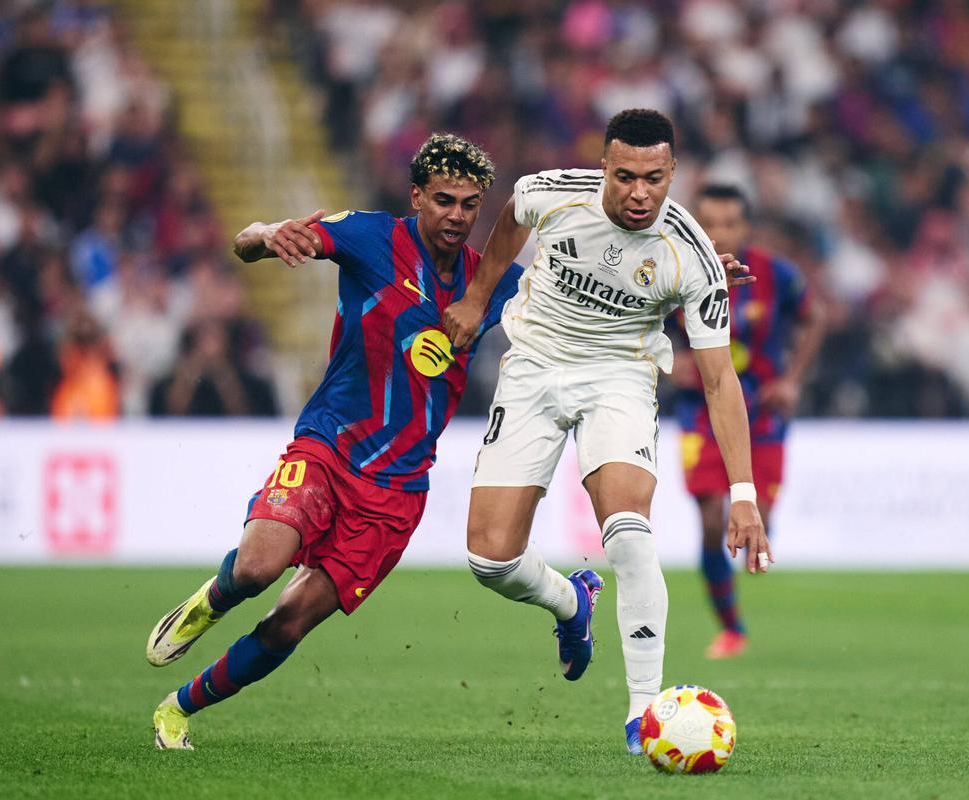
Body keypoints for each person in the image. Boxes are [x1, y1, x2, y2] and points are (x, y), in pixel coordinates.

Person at [145, 133, 521, 749]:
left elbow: (590, 299)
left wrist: (677, 286)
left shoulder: (493, 283)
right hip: (329, 446)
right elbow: (253, 243)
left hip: (398, 491)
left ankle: (179, 707)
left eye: (470, 204)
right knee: (259, 566)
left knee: (290, 623)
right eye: (445, 200)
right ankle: (214, 599)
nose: (457, 215)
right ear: (417, 197)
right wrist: (264, 236)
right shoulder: (373, 237)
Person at [442, 109, 772, 755]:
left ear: (673, 173)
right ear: (604, 169)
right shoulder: (553, 193)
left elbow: (718, 381)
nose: (640, 192)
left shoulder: (693, 257)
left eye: (654, 177)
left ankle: (645, 713)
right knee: (489, 559)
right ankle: (572, 604)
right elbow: (511, 215)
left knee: (627, 528)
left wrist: (742, 492)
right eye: (625, 177)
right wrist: (478, 298)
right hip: (533, 366)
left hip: (620, 375)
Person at [670, 184, 825, 660]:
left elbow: (814, 317)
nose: (719, 233)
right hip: (700, 410)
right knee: (713, 520)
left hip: (762, 412)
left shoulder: (775, 274)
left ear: (747, 227)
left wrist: (793, 379)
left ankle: (758, 531)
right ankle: (731, 627)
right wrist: (667, 361)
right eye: (709, 224)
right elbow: (639, 324)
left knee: (763, 517)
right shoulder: (673, 268)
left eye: (730, 223)